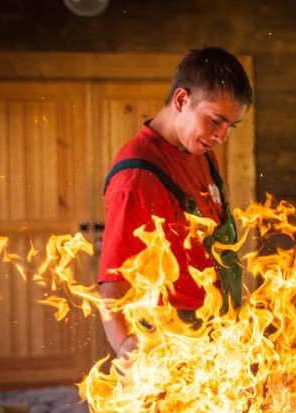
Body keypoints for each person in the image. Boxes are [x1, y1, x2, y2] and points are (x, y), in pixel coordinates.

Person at [98, 47, 253, 360]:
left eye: (230, 126)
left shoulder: (199, 152)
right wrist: (132, 358)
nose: (222, 136)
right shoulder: (138, 179)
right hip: (174, 342)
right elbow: (112, 290)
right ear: (182, 100)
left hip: (220, 328)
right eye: (215, 121)